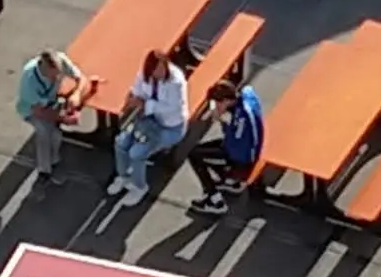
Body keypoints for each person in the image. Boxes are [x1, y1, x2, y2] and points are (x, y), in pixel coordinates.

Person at [108, 47, 187, 207]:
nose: (159, 73)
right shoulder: (144, 75)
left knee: (137, 152)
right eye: (156, 70)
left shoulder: (176, 82)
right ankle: (123, 176)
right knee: (121, 142)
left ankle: (140, 187)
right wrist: (132, 101)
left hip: (169, 128)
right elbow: (136, 91)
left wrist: (146, 105)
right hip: (144, 121)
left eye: (162, 68)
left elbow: (173, 108)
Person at [187, 73, 264, 215]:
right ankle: (232, 182)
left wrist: (221, 121)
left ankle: (215, 200)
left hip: (243, 158)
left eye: (217, 104)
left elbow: (233, 144)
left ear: (226, 101)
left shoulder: (241, 118)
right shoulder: (244, 97)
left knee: (195, 156)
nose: (216, 107)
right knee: (206, 151)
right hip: (248, 147)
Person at [15, 49, 81, 183]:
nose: (56, 78)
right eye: (53, 76)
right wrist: (64, 119)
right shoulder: (29, 81)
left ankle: (54, 160)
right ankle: (44, 170)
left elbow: (81, 79)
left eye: (58, 74)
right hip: (32, 110)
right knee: (45, 132)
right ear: (43, 69)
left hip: (51, 103)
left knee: (56, 135)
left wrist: (77, 94)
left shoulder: (61, 60)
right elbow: (39, 112)